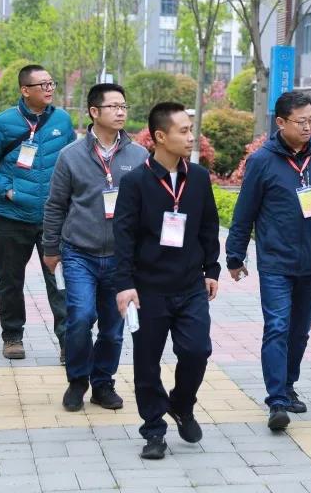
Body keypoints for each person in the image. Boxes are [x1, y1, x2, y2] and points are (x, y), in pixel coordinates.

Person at [226, 91, 311, 431]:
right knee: (277, 326)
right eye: (301, 122)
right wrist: (235, 255)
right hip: (275, 261)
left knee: (299, 331)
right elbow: (244, 212)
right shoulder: (262, 161)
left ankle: (287, 385)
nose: (308, 127)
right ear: (281, 122)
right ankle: (276, 400)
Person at [113, 102, 221, 461]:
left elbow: (209, 226)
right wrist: (125, 284)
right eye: (183, 131)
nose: (191, 137)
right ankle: (154, 429)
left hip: (190, 285)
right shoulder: (135, 182)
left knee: (197, 350)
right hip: (148, 289)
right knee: (147, 362)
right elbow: (124, 236)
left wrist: (212, 269)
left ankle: (181, 404)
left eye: (191, 130)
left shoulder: (199, 178)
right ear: (160, 136)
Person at [43, 83, 148, 413]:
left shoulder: (139, 156)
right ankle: (77, 380)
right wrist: (50, 248)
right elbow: (56, 205)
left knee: (113, 328)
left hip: (121, 257)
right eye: (113, 106)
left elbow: (149, 207)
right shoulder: (70, 155)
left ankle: (103, 383)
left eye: (124, 106)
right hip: (79, 253)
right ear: (93, 112)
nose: (120, 112)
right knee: (80, 317)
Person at [0, 64, 75, 361]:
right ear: (25, 90)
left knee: (59, 281)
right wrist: (6, 190)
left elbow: (75, 160)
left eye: (51, 83)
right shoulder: (3, 122)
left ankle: (68, 342)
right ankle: (12, 336)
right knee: (11, 280)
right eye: (42, 84)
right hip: (13, 216)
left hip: (54, 218)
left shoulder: (62, 120)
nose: (49, 89)